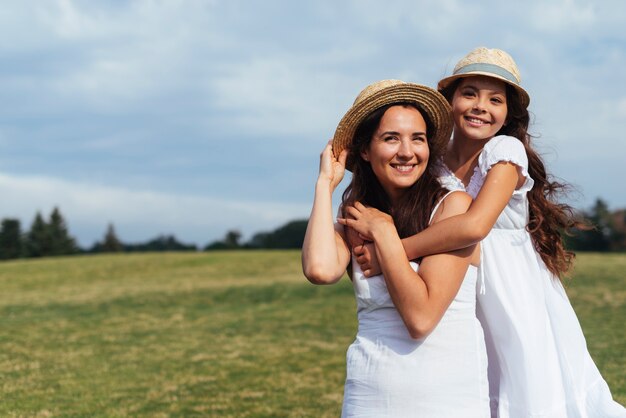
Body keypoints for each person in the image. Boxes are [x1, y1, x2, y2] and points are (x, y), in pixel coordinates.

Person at [341, 48, 626, 417]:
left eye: (496, 100)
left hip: (509, 291)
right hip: (457, 285)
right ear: (450, 100)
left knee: (524, 388)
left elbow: (475, 226)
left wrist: (393, 249)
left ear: (509, 114)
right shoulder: (434, 159)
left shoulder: (504, 153)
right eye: (470, 93)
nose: (481, 106)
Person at [301, 79, 490, 417]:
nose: (407, 152)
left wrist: (386, 236)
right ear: (365, 149)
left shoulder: (453, 207)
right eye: (391, 138)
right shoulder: (358, 216)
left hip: (448, 400)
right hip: (368, 398)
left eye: (417, 139)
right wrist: (324, 186)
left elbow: (421, 318)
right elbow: (320, 269)